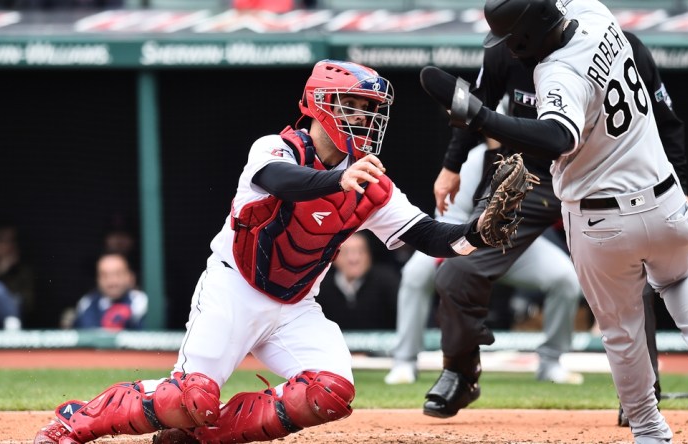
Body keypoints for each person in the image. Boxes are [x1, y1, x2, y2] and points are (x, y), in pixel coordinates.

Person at [33, 59, 500, 444]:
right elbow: (282, 182)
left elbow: (432, 237)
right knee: (188, 398)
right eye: (353, 106)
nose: (364, 117)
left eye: (370, 108)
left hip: (296, 308)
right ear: (319, 105)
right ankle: (73, 422)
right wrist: (339, 179)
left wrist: (478, 233)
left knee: (330, 392)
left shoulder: (370, 182)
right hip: (234, 289)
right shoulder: (276, 147)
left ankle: (204, 437)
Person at [420, 0, 688, 441]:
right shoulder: (595, 12)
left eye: (512, 40)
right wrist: (452, 162)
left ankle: (645, 419)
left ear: (526, 34)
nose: (509, 49)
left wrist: (484, 120)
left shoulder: (558, 71)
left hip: (592, 201)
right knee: (676, 275)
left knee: (622, 316)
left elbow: (560, 136)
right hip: (605, 186)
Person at [385, 135, 584, 385]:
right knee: (415, 274)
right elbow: (449, 219)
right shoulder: (471, 159)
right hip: (463, 242)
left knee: (565, 279)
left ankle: (551, 362)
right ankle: (405, 361)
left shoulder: (537, 162)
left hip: (514, 247)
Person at [318, 231, 400, 330]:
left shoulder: (387, 281)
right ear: (334, 258)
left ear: (369, 255)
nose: (354, 259)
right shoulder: (320, 287)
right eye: (346, 252)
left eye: (360, 252)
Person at [61, 252, 148, 331]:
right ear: (97, 279)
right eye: (104, 275)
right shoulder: (87, 303)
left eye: (118, 274)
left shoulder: (139, 301)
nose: (112, 282)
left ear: (130, 276)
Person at [0, 217, 35, 328]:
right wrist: (1, 271)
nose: (10, 246)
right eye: (4, 241)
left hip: (14, 334)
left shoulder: (23, 273)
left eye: (13, 240)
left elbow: (28, 307)